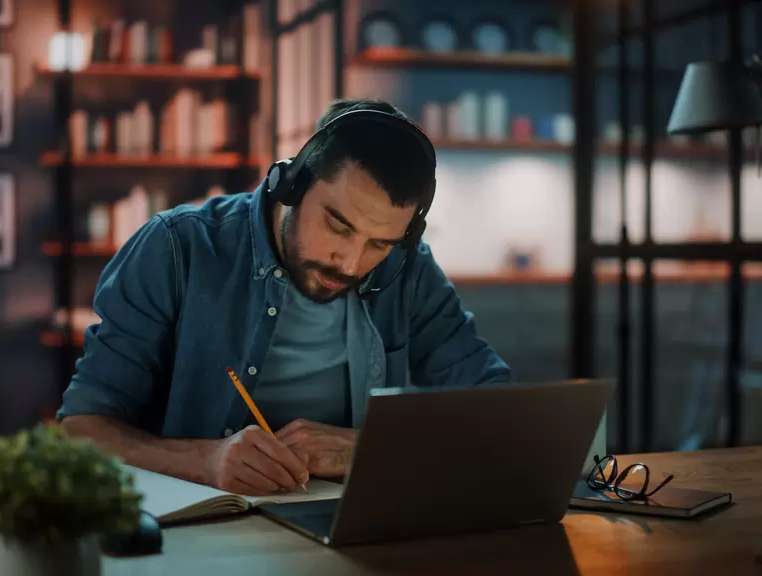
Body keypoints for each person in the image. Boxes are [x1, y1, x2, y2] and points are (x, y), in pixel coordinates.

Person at [58, 98, 511, 496]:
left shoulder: (407, 270)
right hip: (203, 528)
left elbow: (495, 409)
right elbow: (83, 429)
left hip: (348, 523)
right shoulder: (176, 248)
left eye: (380, 243)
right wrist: (207, 461)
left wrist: (368, 448)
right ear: (291, 184)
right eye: (339, 226)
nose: (351, 264)